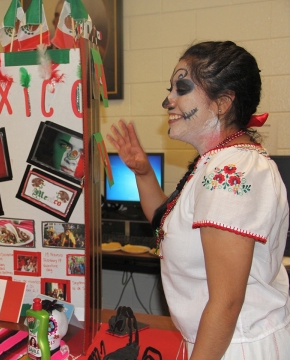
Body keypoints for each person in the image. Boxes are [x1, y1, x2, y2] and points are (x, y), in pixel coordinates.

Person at [106, 41, 290, 359]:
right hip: (219, 342)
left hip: (235, 347)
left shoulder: (233, 170)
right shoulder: (217, 161)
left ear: (222, 103)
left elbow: (227, 302)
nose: (168, 101)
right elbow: (167, 223)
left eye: (182, 89)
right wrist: (143, 173)